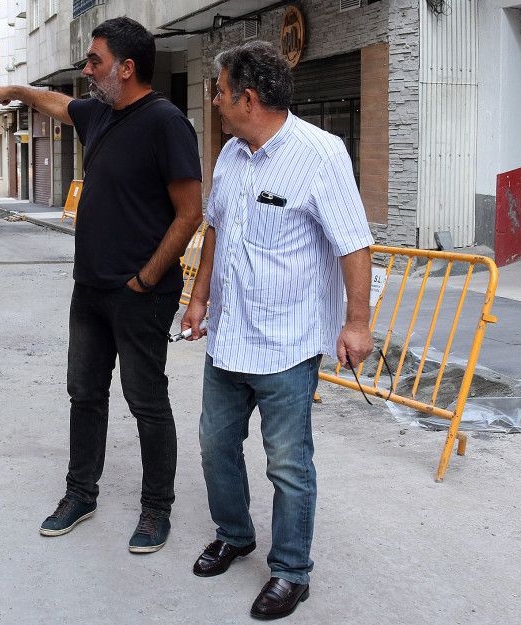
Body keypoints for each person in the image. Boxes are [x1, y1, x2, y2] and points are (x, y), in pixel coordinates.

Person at [0, 16, 202, 554]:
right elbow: (57, 104)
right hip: (90, 291)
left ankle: (157, 509)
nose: (86, 70)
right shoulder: (100, 113)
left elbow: (190, 211)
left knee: (146, 400)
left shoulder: (167, 123)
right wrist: (16, 90)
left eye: (95, 61)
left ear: (127, 68)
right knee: (84, 394)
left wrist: (146, 278)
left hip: (139, 294)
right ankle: (80, 493)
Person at [179, 41, 374, 620]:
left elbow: (354, 242)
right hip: (229, 337)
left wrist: (358, 323)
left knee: (288, 462)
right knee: (216, 444)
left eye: (219, 91)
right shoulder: (233, 156)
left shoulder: (321, 153)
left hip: (287, 343)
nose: (214, 101)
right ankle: (235, 534)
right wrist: (198, 298)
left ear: (249, 97)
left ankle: (292, 570)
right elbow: (214, 227)